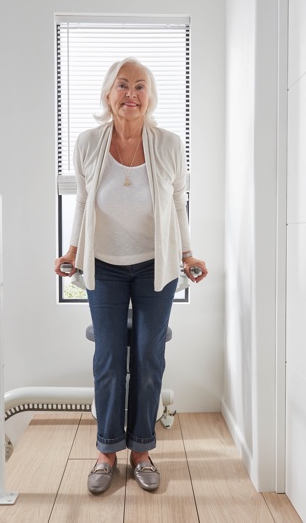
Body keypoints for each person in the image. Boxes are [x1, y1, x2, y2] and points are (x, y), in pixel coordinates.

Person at [54, 57, 207, 494]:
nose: (131, 94)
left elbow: (178, 202)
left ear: (150, 97)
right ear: (108, 95)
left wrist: (188, 255)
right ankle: (106, 450)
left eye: (141, 86)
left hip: (155, 266)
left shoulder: (169, 144)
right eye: (122, 85)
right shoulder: (87, 143)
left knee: (148, 355)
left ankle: (141, 449)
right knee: (107, 356)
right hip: (104, 265)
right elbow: (83, 202)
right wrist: (72, 252)